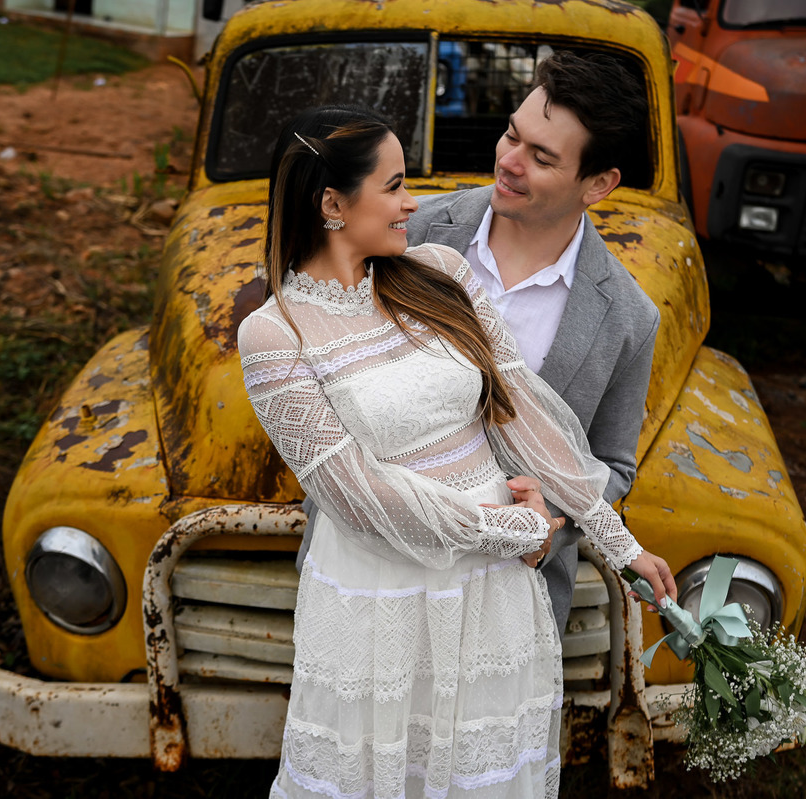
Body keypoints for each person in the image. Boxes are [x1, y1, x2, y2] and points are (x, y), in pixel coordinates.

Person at [238, 105, 675, 798]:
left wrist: (621, 546)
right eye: (394, 185)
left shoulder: (439, 271)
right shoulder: (273, 333)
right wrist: (511, 530)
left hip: (491, 590)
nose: (413, 202)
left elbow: (522, 414)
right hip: (382, 594)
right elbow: (355, 495)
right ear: (332, 204)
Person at [299, 51, 661, 634]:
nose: (510, 162)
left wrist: (550, 513)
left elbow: (612, 463)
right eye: (512, 135)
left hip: (510, 600)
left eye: (542, 157)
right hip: (367, 579)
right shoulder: (405, 228)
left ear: (599, 183)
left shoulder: (628, 317)